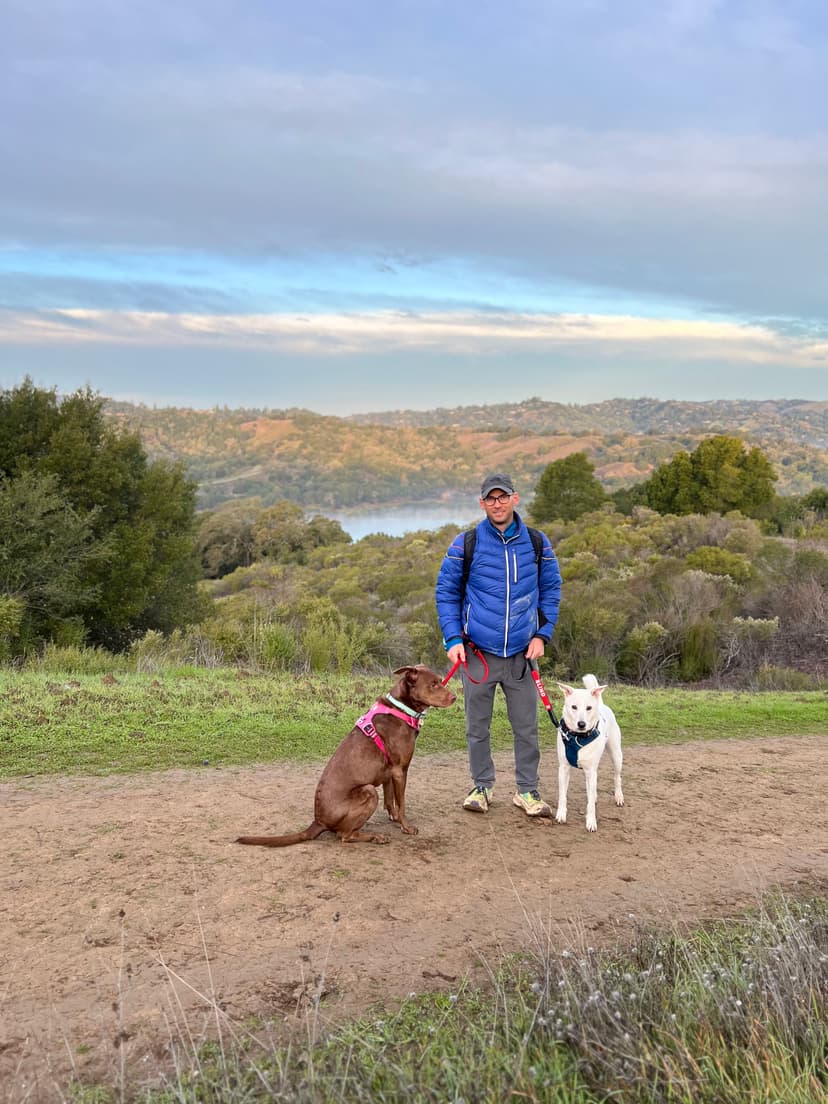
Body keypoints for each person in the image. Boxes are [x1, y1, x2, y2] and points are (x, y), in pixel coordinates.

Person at [435, 473, 562, 816]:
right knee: (477, 727)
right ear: (482, 503)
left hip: (522, 655)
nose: (497, 503)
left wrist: (542, 635)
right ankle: (481, 787)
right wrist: (453, 638)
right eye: (490, 499)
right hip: (477, 654)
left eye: (502, 497)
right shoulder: (467, 542)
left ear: (514, 499)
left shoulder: (537, 543)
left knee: (526, 727)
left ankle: (528, 791)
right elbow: (446, 593)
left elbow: (552, 590)